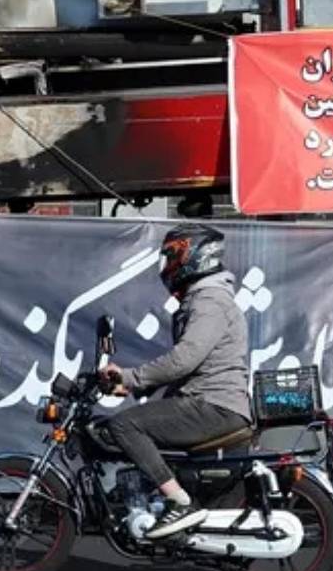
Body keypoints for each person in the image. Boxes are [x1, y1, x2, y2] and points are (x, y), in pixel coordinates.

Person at [99, 223, 252, 540]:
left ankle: (179, 502)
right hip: (208, 402)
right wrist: (131, 386)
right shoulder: (203, 299)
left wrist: (131, 377)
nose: (168, 266)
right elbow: (186, 368)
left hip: (215, 406)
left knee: (125, 426)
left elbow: (184, 359)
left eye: (173, 256)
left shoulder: (209, 301)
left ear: (195, 255)